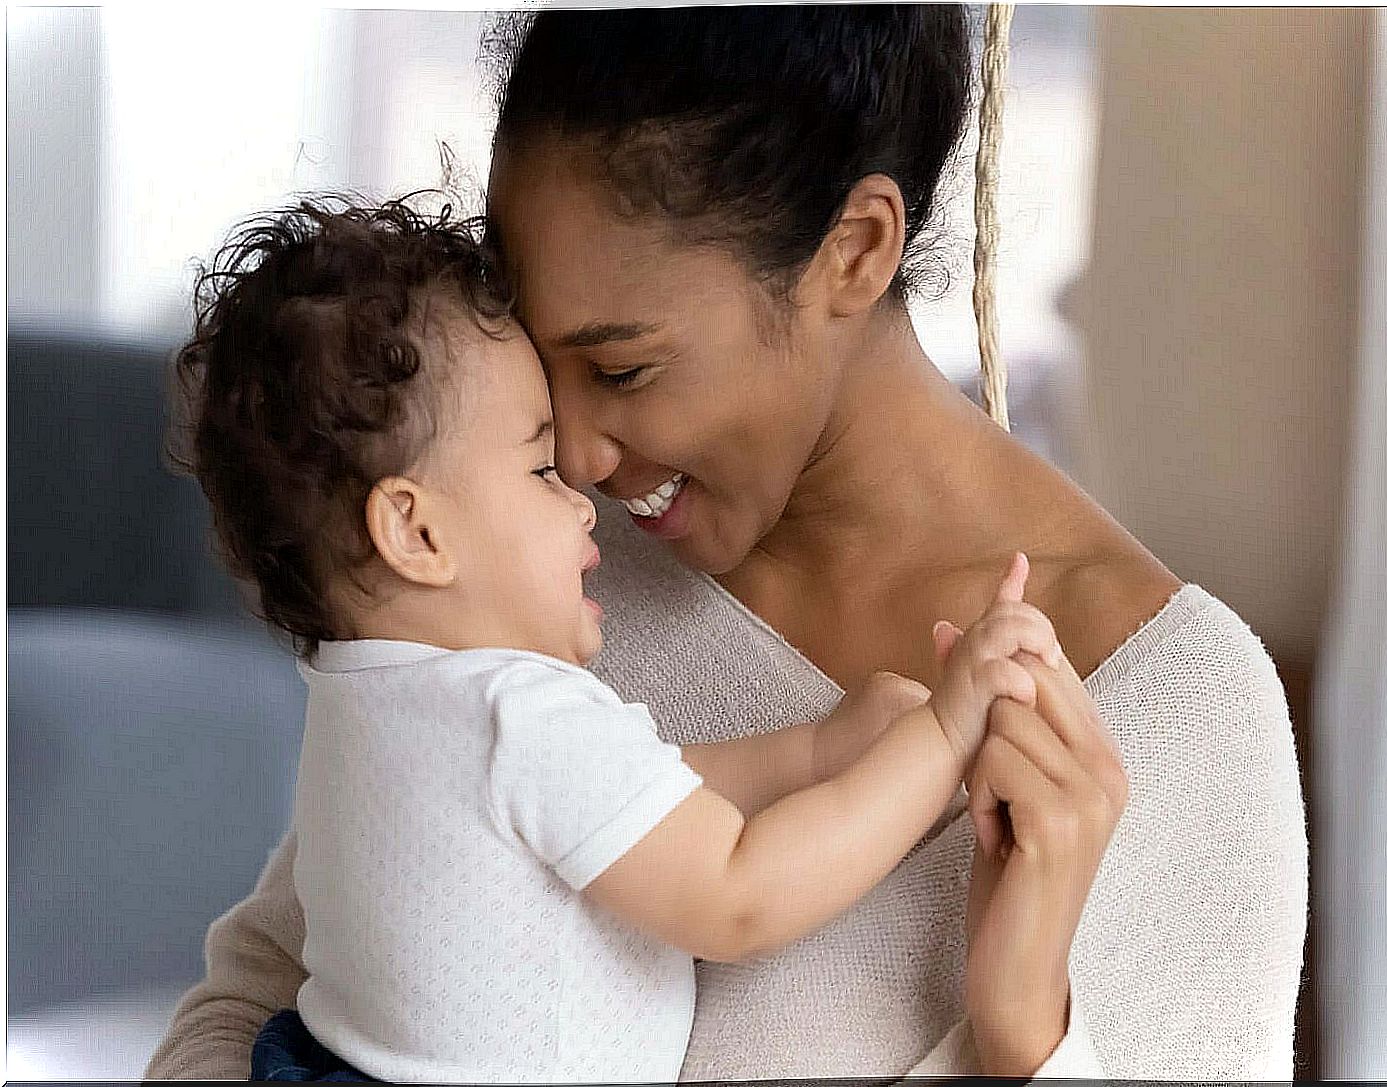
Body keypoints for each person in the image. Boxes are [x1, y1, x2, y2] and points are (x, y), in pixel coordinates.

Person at [147, 6, 1307, 1079]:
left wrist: (1021, 1036)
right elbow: (254, 1001)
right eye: (545, 382)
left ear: (854, 248)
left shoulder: (1173, 709)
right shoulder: (522, 577)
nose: (584, 457)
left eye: (621, 368)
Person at [170, 197, 1069, 1084]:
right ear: (416, 531)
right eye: (537, 467)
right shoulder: (511, 713)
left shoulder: (368, 698)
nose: (579, 494)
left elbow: (636, 791)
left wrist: (818, 748)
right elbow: (738, 893)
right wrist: (942, 736)